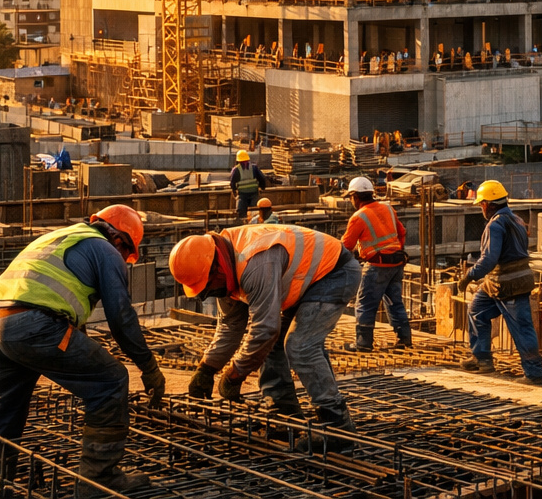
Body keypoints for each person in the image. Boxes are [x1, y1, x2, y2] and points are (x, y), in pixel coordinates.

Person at [0, 206, 164, 495]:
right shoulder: (107, 251)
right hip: (31, 324)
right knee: (111, 380)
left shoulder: (61, 238)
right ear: (118, 239)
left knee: (3, 408)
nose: (125, 259)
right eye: (127, 252)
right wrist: (148, 367)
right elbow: (121, 317)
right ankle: (99, 480)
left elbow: (58, 302)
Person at [168, 224, 360, 446]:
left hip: (335, 272)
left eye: (208, 287)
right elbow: (231, 326)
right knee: (268, 345)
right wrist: (207, 368)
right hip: (304, 280)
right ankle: (284, 416)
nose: (211, 293)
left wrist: (235, 373)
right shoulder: (224, 265)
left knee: (300, 346)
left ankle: (337, 428)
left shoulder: (255, 262)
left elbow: (265, 329)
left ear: (217, 268)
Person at [456, 181, 542, 385]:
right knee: (476, 309)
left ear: (490, 204)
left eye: (482, 204)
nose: (481, 208)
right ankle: (482, 358)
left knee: (522, 328)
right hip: (500, 281)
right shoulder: (517, 219)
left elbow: (489, 259)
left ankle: (534, 374)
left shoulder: (495, 225)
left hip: (508, 284)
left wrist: (470, 275)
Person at [341, 176, 412, 352]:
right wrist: (394, 251)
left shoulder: (358, 217)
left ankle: (363, 343)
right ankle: (405, 339)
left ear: (355, 197)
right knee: (395, 302)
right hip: (396, 264)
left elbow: (345, 246)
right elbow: (401, 232)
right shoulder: (388, 208)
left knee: (365, 304)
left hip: (376, 267)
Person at [230, 150, 266, 223]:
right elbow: (262, 178)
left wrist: (234, 191)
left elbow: (232, 183)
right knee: (254, 212)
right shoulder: (254, 168)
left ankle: (243, 223)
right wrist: (262, 187)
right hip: (253, 193)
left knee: (241, 213)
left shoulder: (236, 170)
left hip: (242, 195)